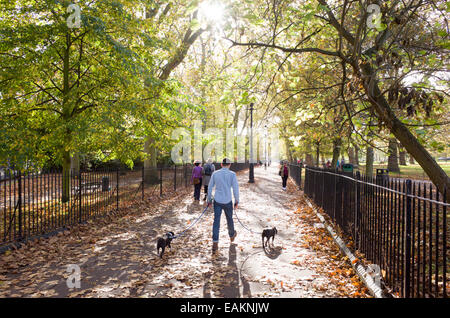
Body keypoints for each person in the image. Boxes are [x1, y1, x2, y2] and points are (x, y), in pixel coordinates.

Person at [206, 158, 239, 254]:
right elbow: (235, 188)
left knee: (216, 221)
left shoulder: (215, 174)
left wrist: (209, 199)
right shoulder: (232, 174)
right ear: (229, 165)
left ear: (221, 164)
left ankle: (215, 242)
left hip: (217, 200)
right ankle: (232, 235)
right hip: (228, 200)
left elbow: (210, 187)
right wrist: (236, 200)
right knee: (230, 219)